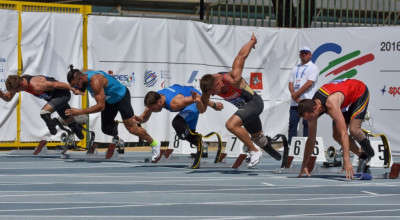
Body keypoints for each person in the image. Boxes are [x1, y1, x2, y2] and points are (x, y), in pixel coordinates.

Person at [196, 33, 282, 168]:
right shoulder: (207, 87)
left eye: (214, 93)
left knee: (230, 125)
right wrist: (206, 103)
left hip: (254, 103)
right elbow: (202, 110)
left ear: (218, 84)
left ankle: (254, 151)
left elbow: (241, 56)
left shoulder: (232, 79)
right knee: (259, 140)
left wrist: (252, 42)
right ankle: (280, 158)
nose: (212, 95)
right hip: (246, 111)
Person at [65, 65, 161, 161]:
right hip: (110, 101)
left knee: (132, 129)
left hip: (121, 97)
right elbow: (98, 72)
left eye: (76, 86)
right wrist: (108, 78)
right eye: (73, 86)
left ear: (81, 78)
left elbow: (100, 106)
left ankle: (154, 144)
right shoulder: (85, 73)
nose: (76, 89)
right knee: (106, 129)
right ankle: (118, 136)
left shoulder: (95, 82)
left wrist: (79, 112)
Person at [297, 78, 374, 179]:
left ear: (315, 109)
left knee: (354, 130)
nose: (309, 120)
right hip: (344, 100)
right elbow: (311, 139)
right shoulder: (311, 108)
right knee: (336, 135)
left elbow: (344, 134)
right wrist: (304, 165)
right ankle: (363, 156)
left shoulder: (331, 104)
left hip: (359, 92)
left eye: (309, 118)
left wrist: (346, 160)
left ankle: (370, 153)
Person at [134, 84, 223, 156]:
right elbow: (144, 117)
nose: (153, 111)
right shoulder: (154, 97)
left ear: (159, 102)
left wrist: (214, 105)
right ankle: (202, 146)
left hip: (194, 103)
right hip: (187, 104)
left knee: (177, 123)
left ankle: (198, 143)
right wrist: (139, 119)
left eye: (153, 109)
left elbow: (198, 98)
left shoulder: (174, 103)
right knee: (189, 133)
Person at [1, 74, 84, 139]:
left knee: (44, 112)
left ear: (21, 84)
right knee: (71, 123)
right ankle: (78, 130)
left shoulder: (37, 85)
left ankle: (54, 124)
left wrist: (73, 89)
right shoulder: (20, 81)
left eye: (17, 90)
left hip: (62, 95)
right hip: (53, 98)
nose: (18, 92)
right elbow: (8, 98)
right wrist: (1, 94)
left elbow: (56, 84)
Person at [288, 46, 319, 145]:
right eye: (301, 53)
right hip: (295, 102)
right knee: (292, 124)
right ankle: (290, 146)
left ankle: (307, 146)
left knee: (307, 124)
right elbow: (290, 83)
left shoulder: (313, 67)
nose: (303, 55)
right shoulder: (295, 67)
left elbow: (309, 83)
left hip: (307, 101)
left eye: (305, 53)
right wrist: (294, 95)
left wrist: (296, 94)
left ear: (310, 55)